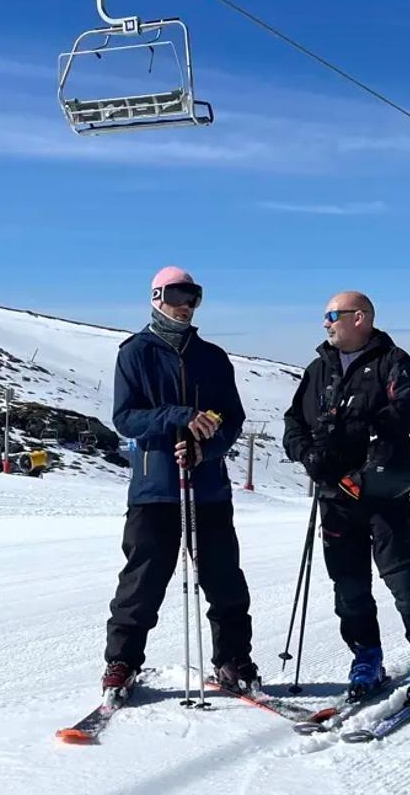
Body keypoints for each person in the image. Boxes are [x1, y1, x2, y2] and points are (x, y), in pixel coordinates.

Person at [283, 291, 410, 702]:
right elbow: (293, 422)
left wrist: (347, 440)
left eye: (332, 315)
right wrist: (308, 455)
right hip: (334, 497)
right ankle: (366, 657)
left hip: (382, 490)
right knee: (348, 584)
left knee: (402, 574)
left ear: (360, 318)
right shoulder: (318, 368)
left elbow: (402, 415)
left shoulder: (394, 363)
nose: (325, 323)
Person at [101, 266, 255, 699]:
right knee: (141, 582)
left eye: (194, 297)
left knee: (225, 580)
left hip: (207, 489)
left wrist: (209, 447)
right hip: (155, 489)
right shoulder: (135, 353)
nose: (186, 305)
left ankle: (233, 660)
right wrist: (178, 415)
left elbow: (232, 418)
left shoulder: (213, 357)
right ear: (157, 297)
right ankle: (122, 662)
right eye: (178, 295)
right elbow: (125, 418)